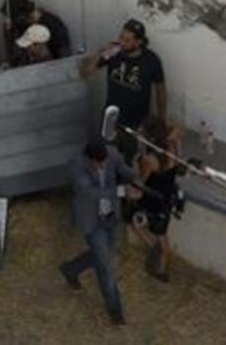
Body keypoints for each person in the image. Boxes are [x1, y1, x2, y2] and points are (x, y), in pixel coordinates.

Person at [60, 139, 137, 327]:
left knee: (101, 255)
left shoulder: (112, 154)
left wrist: (137, 178)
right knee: (105, 267)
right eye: (98, 163)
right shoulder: (76, 164)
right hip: (91, 220)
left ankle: (70, 269)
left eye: (104, 162)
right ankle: (115, 310)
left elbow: (126, 171)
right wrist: (121, 191)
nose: (103, 165)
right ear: (89, 159)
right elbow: (89, 192)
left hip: (110, 215)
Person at [79, 19, 166, 163]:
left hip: (136, 123)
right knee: (107, 156)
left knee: (129, 160)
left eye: (127, 40)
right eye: (121, 37)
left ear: (138, 42)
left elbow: (160, 90)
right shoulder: (114, 53)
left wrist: (162, 118)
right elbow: (85, 73)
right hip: (111, 118)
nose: (122, 42)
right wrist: (100, 54)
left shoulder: (151, 61)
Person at [129, 135, 184, 282]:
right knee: (163, 236)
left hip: (150, 202)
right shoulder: (172, 155)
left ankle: (153, 246)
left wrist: (135, 165)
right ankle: (162, 270)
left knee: (135, 223)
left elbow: (141, 182)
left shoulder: (150, 161)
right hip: (165, 204)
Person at [1, 0, 72, 61]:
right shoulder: (19, 26)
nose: (10, 22)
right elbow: (14, 57)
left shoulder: (54, 25)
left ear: (22, 16)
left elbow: (65, 57)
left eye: (12, 19)